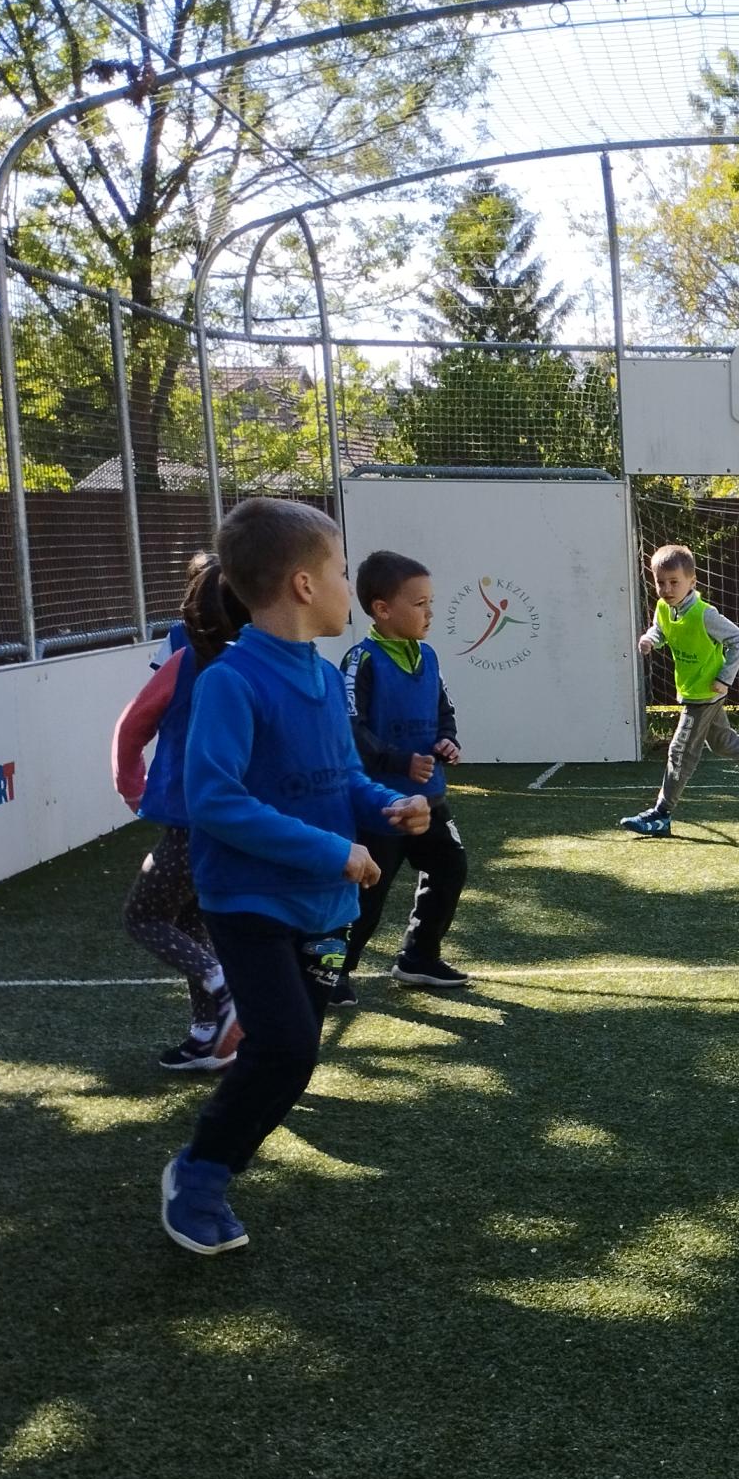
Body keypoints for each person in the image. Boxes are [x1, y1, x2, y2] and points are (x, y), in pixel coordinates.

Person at [162, 498, 431, 1256]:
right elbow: (214, 800)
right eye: (343, 572)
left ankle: (212, 1167)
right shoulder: (231, 681)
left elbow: (344, 778)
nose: (351, 587)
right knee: (282, 1048)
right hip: (250, 904)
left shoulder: (318, 674)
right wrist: (332, 851)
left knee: (293, 1057)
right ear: (305, 586)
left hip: (324, 909)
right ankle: (198, 1176)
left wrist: (389, 806)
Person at [112, 557, 245, 1070]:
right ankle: (206, 1034)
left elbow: (132, 725)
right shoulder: (262, 665)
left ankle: (224, 987)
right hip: (242, 820)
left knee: (143, 917)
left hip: (191, 821)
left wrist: (131, 786)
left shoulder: (185, 660)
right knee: (190, 920)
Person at [339, 550, 470, 997]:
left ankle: (418, 956)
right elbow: (350, 728)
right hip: (381, 804)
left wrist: (447, 740)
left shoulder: (427, 656)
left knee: (449, 867)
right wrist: (399, 761)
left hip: (429, 799)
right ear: (382, 609)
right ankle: (333, 972)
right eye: (419, 604)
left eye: (431, 603)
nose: (430, 613)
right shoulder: (361, 661)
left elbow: (443, 710)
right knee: (366, 893)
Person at [619, 544, 739, 836]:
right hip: (692, 689)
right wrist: (650, 638)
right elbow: (661, 629)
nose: (667, 589)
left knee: (680, 751)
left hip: (706, 693)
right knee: (722, 742)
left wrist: (725, 678)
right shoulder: (665, 608)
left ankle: (661, 815)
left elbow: (738, 639)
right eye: (661, 582)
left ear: (692, 582)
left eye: (674, 582)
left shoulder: (705, 614)